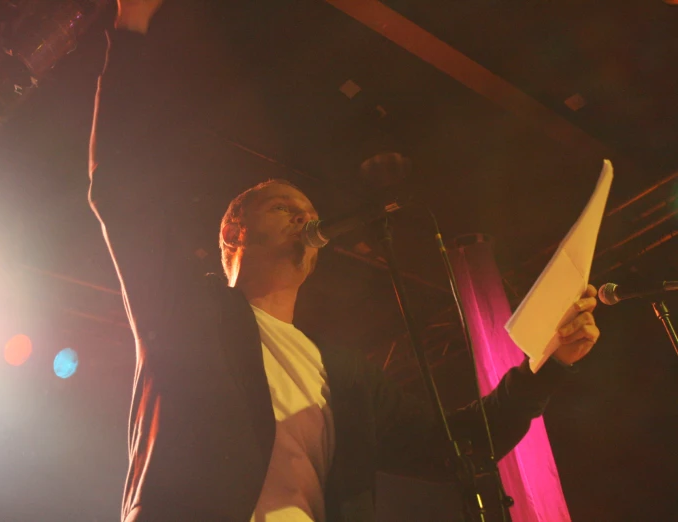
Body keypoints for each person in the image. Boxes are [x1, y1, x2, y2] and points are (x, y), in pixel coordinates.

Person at [87, 1, 601, 521]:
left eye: (309, 212)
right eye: (284, 207)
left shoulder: (347, 374)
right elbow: (121, 190)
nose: (305, 218)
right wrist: (130, 31)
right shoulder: (188, 313)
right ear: (232, 232)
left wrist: (547, 369)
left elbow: (458, 445)